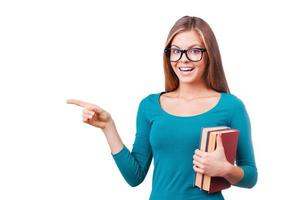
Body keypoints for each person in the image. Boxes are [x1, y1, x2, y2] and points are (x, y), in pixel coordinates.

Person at [67, 16, 257, 200]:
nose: (183, 59)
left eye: (194, 51)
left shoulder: (231, 106)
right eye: (175, 51)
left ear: (210, 54)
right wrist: (108, 127)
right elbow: (135, 176)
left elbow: (250, 176)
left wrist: (225, 170)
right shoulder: (149, 106)